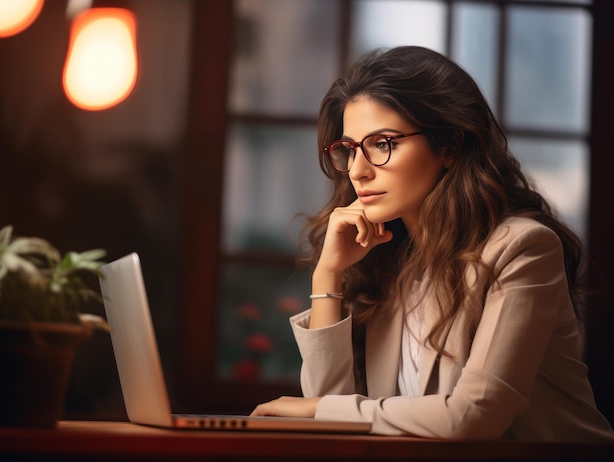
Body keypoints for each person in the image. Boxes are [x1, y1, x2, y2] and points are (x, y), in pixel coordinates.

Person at [250, 45, 614, 441]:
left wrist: (319, 409)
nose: (358, 170)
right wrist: (328, 276)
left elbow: (473, 417)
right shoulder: (386, 262)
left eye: (382, 144)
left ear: (449, 146)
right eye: (349, 150)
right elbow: (337, 429)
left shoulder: (523, 248)